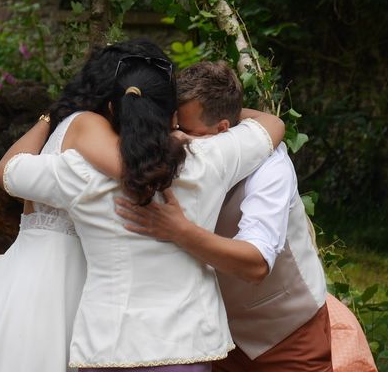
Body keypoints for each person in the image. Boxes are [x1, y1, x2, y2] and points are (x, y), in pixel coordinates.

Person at [0, 40, 285, 371]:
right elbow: (272, 124)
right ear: (173, 114)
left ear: (113, 110)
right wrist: (211, 121)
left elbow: (8, 170)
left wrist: (58, 111)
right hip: (189, 344)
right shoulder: (211, 158)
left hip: (109, 346)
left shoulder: (80, 172)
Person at [116, 61, 332, 372]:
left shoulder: (270, 166)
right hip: (212, 334)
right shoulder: (176, 152)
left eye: (185, 131)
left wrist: (180, 231)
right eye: (171, 127)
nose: (173, 139)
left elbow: (256, 262)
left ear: (223, 129)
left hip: (285, 335)